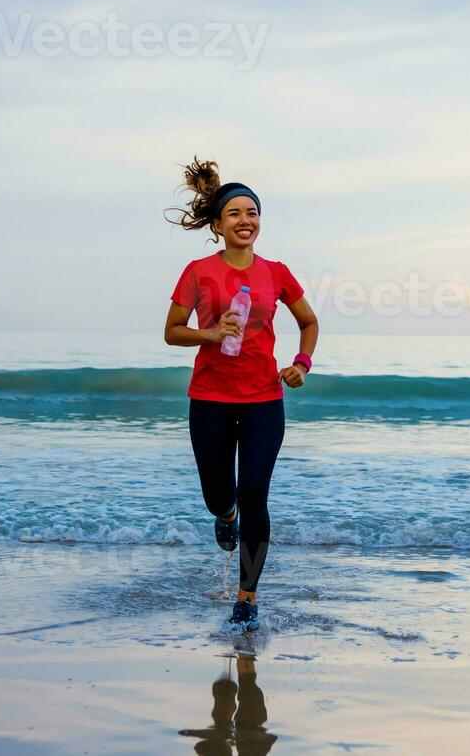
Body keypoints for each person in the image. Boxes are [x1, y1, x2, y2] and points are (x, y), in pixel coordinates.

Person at [163, 158, 319, 627]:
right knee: (218, 495)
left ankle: (247, 597)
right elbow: (172, 331)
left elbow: (308, 322)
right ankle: (224, 513)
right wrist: (209, 335)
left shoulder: (277, 272)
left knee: (256, 493)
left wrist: (301, 364)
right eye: (234, 213)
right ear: (217, 224)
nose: (245, 220)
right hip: (209, 398)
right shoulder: (198, 271)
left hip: (264, 401)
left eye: (252, 212)